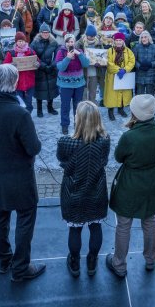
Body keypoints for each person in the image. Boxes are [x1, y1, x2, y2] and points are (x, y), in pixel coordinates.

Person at [0, 64, 45, 282]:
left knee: (1, 217)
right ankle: (21, 268)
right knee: (25, 220)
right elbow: (33, 148)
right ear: (15, 83)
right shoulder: (19, 113)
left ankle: (5, 261)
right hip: (20, 177)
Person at [106, 94, 155, 278]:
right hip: (151, 180)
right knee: (150, 221)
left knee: (124, 224)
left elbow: (118, 158)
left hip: (130, 182)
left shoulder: (129, 136)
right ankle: (151, 258)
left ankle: (119, 264)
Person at [56, 101, 111, 277]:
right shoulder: (104, 140)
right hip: (97, 191)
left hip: (73, 192)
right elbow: (104, 161)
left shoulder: (66, 142)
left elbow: (61, 160)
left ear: (77, 119)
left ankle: (75, 263)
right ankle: (92, 262)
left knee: (75, 229)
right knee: (96, 227)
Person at [55, 33, 90, 135]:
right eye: (68, 41)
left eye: (72, 41)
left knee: (78, 106)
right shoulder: (60, 52)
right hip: (65, 84)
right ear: (65, 43)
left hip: (79, 83)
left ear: (75, 42)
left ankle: (78, 124)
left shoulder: (79, 51)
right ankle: (65, 126)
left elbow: (86, 64)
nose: (70, 43)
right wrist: (68, 58)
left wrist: (80, 54)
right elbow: (61, 67)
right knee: (65, 106)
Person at [3, 32, 37, 115]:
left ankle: (28, 117)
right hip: (16, 83)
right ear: (16, 42)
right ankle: (20, 118)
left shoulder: (31, 52)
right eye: (19, 41)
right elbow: (4, 65)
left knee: (29, 103)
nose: (21, 43)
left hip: (29, 82)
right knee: (19, 103)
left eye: (22, 41)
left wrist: (37, 64)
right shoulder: (11, 53)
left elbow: (37, 61)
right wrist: (11, 65)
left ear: (25, 41)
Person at [104, 32, 135, 121]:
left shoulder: (128, 51)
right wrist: (118, 70)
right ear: (114, 41)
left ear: (123, 41)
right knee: (112, 94)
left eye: (120, 40)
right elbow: (109, 63)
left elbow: (132, 61)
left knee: (122, 93)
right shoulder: (110, 51)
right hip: (113, 76)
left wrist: (125, 70)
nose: (118, 42)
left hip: (124, 75)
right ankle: (110, 111)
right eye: (117, 40)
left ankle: (121, 109)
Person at [30, 23, 59, 117]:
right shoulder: (34, 43)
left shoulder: (54, 42)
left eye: (47, 32)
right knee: (39, 90)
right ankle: (39, 109)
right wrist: (43, 66)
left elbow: (58, 55)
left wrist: (52, 65)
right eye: (44, 32)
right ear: (40, 33)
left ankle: (50, 107)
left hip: (51, 68)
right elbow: (33, 56)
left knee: (51, 89)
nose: (45, 34)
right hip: (40, 69)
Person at [132, 30, 155, 95]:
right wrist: (138, 66)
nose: (143, 39)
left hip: (151, 74)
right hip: (140, 74)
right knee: (139, 95)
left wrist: (151, 64)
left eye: (145, 37)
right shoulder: (137, 47)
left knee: (150, 95)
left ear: (149, 38)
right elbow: (133, 60)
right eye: (142, 37)